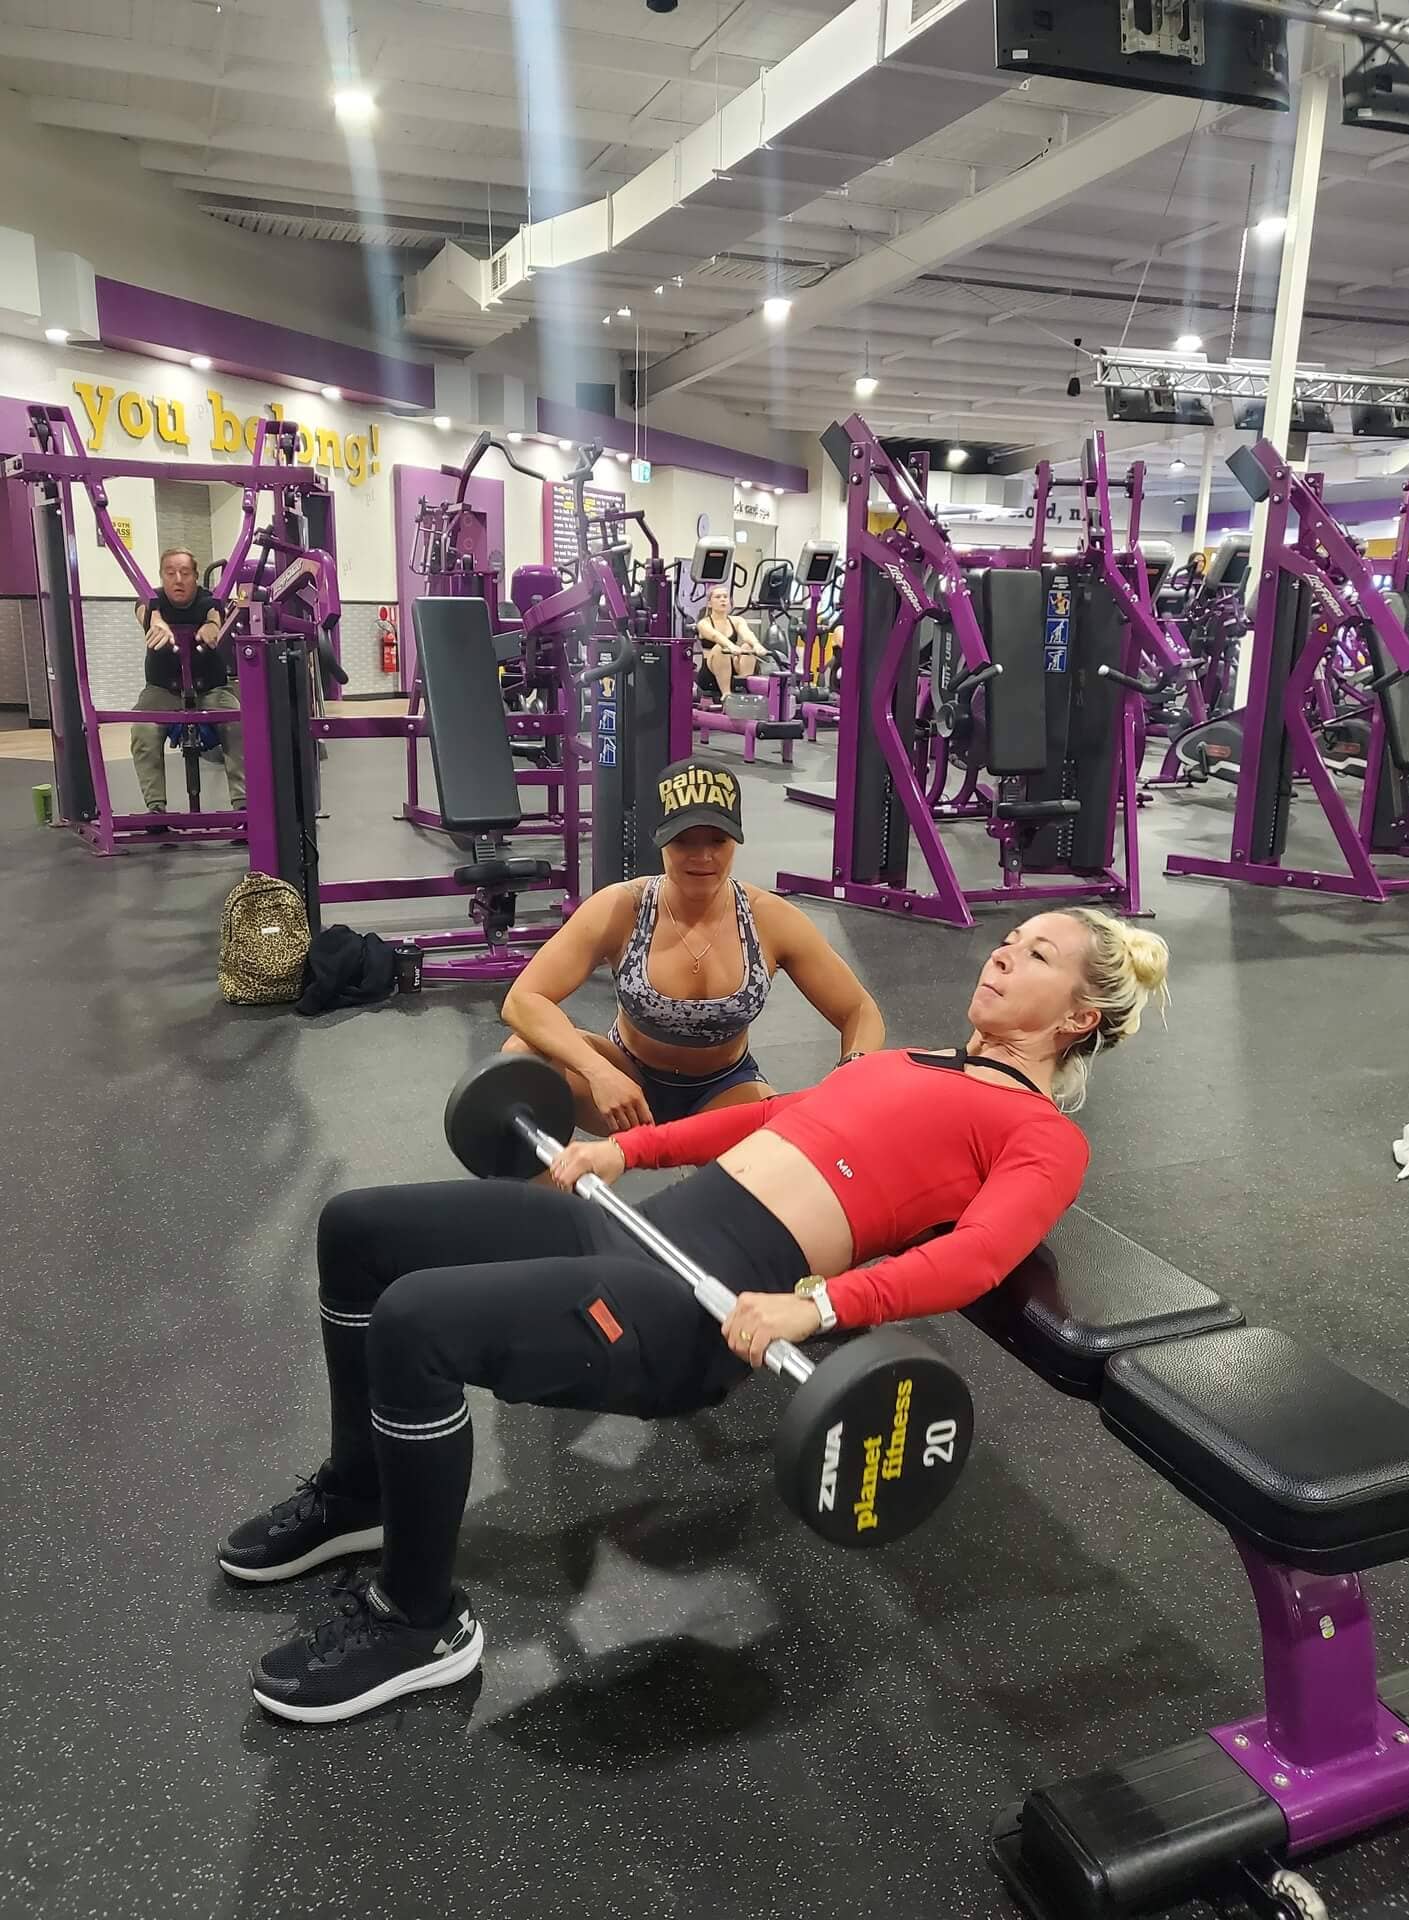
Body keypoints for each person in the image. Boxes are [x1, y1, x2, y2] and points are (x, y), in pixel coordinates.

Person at [219, 907, 1168, 1724]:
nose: (1002, 955)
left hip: (694, 1303)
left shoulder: (1040, 1136)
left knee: (417, 1322)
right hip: (642, 1227)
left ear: (1081, 1015)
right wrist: (628, 1155)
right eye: (1008, 941)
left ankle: (420, 1623)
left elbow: (978, 1256)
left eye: (1036, 956)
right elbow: (769, 1115)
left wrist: (820, 1306)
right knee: (356, 1230)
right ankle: (361, 1494)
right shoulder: (916, 1058)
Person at [500, 756, 884, 1132]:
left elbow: (859, 1009)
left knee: (788, 1169)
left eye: (717, 840)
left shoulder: (769, 918)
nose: (702, 857)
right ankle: (552, 1194)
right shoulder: (624, 907)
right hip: (629, 1077)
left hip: (724, 1089)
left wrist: (851, 1071)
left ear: (736, 839)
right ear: (661, 840)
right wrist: (597, 1071)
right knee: (520, 1062)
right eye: (684, 841)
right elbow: (523, 999)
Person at [130, 547, 245, 817]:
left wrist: (213, 627)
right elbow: (146, 610)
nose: (178, 579)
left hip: (212, 688)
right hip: (162, 689)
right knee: (142, 731)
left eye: (184, 573)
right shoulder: (153, 599)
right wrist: (155, 622)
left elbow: (215, 614)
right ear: (162, 577)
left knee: (238, 726)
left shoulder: (209, 600)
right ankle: (156, 809)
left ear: (195, 576)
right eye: (170, 573)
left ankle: (243, 806)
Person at [695, 585, 762, 700]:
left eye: (725, 597)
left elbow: (747, 634)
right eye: (718, 597)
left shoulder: (737, 620)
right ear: (709, 603)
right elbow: (716, 636)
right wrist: (731, 645)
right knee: (720, 648)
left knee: (747, 646)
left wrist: (756, 645)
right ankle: (727, 695)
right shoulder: (703, 623)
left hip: (733, 669)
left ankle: (744, 689)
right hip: (711, 673)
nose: (723, 599)